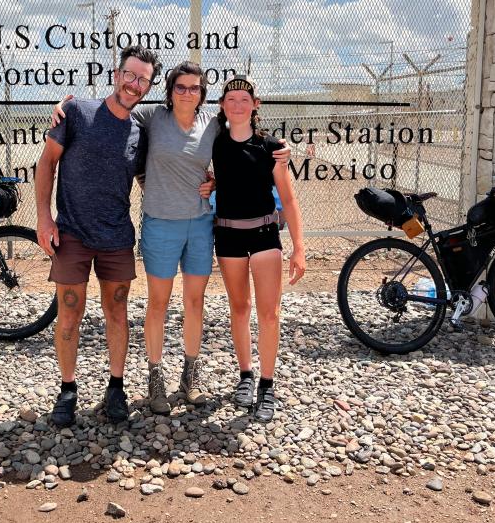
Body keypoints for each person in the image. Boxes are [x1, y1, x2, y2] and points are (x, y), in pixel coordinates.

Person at [52, 64, 289, 416]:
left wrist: (276, 151)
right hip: (161, 225)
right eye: (180, 87)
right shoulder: (151, 117)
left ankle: (189, 378)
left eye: (195, 88)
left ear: (203, 93)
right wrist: (62, 107)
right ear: (169, 90)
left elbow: (243, 147)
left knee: (194, 303)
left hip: (200, 224)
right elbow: (116, 107)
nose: (187, 93)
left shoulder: (213, 122)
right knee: (158, 305)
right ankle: (155, 379)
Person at [35, 44, 160, 427]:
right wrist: (43, 218)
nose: (134, 84)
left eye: (143, 79)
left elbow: (148, 177)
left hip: (116, 238)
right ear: (117, 73)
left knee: (117, 313)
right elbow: (46, 164)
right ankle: (67, 390)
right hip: (71, 233)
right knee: (69, 312)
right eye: (130, 74)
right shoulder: (76, 112)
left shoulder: (141, 130)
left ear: (148, 86)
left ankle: (116, 387)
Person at [212, 75, 305, 422]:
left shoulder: (272, 147)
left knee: (269, 313)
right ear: (223, 105)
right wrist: (208, 185)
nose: (237, 105)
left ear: (255, 105)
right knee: (240, 308)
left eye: (244, 99)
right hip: (228, 237)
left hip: (265, 235)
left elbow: (290, 199)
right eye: (231, 98)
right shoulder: (216, 142)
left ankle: (267, 384)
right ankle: (246, 376)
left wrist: (299, 247)